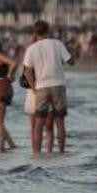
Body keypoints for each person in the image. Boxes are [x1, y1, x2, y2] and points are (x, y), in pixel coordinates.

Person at [21, 20, 74, 155]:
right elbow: (71, 61)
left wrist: (34, 88)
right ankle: (61, 151)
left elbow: (27, 71)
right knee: (60, 121)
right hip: (58, 85)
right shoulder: (57, 44)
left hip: (41, 87)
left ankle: (37, 153)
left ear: (35, 32)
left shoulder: (31, 48)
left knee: (39, 122)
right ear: (48, 30)